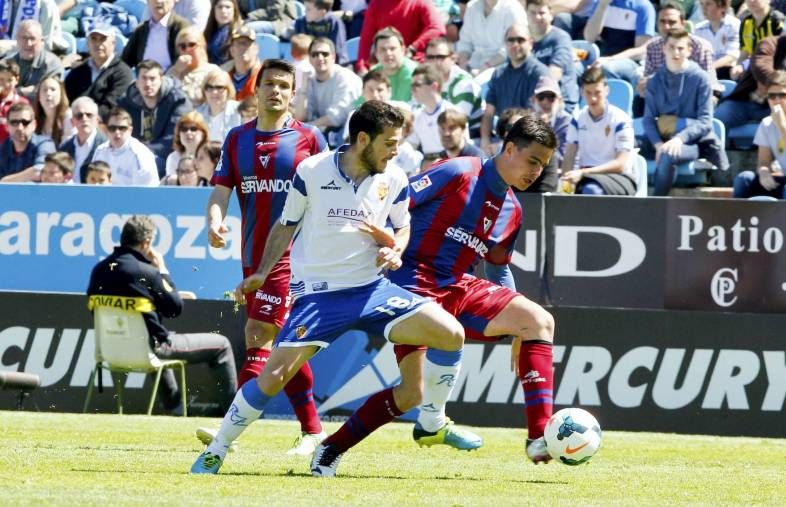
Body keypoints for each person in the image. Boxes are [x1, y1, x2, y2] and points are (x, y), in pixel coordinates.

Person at [191, 100, 466, 477]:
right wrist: (262, 272)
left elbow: (402, 227)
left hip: (372, 290)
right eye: (389, 142)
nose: (396, 150)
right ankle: (217, 450)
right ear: (363, 139)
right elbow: (286, 225)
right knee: (272, 377)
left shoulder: (395, 178)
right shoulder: (313, 170)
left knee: (451, 334)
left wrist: (396, 248)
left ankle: (430, 421)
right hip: (319, 297)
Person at [387, 115, 557, 464]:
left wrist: (517, 328)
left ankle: (540, 438)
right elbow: (394, 205)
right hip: (406, 285)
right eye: (533, 160)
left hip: (453, 291)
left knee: (537, 322)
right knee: (411, 392)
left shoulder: (513, 210)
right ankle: (321, 439)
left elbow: (498, 266)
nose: (537, 171)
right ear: (510, 148)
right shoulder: (456, 171)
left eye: (544, 165)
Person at [202, 59, 328, 456]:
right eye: (268, 84)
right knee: (283, 342)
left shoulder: (310, 139)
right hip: (251, 258)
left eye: (283, 86)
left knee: (258, 334)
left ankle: (228, 431)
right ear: (254, 91)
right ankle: (312, 430)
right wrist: (215, 221)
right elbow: (221, 191)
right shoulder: (236, 139)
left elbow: (334, 190)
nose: (275, 91)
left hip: (294, 256)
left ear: (293, 94)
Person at [87, 215, 237, 416]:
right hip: (150, 348)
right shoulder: (147, 272)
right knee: (221, 345)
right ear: (147, 242)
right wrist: (162, 270)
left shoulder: (99, 270)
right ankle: (235, 415)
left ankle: (176, 410)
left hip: (109, 351)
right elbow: (175, 308)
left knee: (152, 338)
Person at [641, 29, 727, 196]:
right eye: (671, 47)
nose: (676, 52)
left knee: (667, 155)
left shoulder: (701, 78)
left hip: (693, 142)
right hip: (662, 138)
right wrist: (658, 144)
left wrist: (679, 139)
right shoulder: (654, 81)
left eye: (681, 48)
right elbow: (648, 119)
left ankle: (656, 204)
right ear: (664, 48)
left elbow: (705, 121)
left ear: (689, 51)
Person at [561, 67, 637, 195]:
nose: (593, 98)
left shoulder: (621, 119)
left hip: (620, 178)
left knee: (591, 191)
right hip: (586, 177)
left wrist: (584, 173)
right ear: (582, 92)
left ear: (607, 90)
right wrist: (565, 188)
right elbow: (569, 157)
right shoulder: (577, 119)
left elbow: (620, 164)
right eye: (588, 93)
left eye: (597, 92)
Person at [715, 17, 786, 126]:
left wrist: (773, 85)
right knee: (720, 118)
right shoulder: (770, 44)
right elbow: (761, 67)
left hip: (780, 105)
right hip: (745, 101)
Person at [480, 24, 550, 155]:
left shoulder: (540, 73)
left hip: (529, 141)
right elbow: (488, 113)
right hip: (503, 137)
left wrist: (503, 145)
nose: (515, 44)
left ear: (530, 43)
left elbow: (538, 117)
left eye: (520, 40)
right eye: (510, 40)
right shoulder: (498, 74)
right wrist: (485, 140)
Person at [733, 70, 786, 199]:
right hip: (785, 177)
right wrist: (764, 172)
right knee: (743, 179)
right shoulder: (767, 123)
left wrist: (782, 125)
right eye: (772, 96)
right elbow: (764, 161)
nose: (777, 100)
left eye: (782, 95)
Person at [119, 60, 193, 175]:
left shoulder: (178, 100)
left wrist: (141, 152)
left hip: (168, 157)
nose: (148, 84)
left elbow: (173, 139)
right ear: (137, 82)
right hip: (133, 155)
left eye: (152, 79)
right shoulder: (126, 102)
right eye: (144, 78)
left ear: (161, 80)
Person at [637, 2, 715, 98]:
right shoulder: (653, 46)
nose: (666, 27)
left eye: (671, 22)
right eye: (662, 21)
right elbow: (649, 76)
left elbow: (706, 84)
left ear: (683, 24)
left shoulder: (700, 46)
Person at [354, 0, 446, 75]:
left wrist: (413, 48)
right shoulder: (376, 4)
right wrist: (362, 66)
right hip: (385, 68)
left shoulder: (421, 2)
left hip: (415, 66)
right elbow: (366, 39)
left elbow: (438, 28)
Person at [294, 36, 360, 139]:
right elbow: (300, 117)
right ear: (310, 59)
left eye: (325, 54)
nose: (320, 58)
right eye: (315, 54)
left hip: (349, 134)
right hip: (325, 131)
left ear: (333, 57)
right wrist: (303, 87)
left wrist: (306, 127)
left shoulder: (346, 78)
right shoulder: (309, 79)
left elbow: (336, 118)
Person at [64, 25, 134, 122]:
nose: (98, 44)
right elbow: (66, 98)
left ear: (113, 43)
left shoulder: (123, 72)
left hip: (106, 127)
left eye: (103, 39)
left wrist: (87, 120)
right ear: (88, 44)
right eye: (94, 39)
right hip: (76, 122)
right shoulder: (78, 70)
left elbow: (112, 105)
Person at [583, 0, 656, 88]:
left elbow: (641, 50)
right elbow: (589, 38)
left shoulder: (643, 6)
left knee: (606, 68)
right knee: (575, 67)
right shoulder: (599, 3)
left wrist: (610, 59)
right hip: (600, 58)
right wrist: (602, 5)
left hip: (630, 63)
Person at [527, 0, 578, 111]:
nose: (537, 17)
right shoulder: (524, 39)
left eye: (541, 13)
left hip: (559, 104)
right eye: (532, 13)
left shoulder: (561, 38)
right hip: (533, 102)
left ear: (551, 15)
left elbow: (554, 74)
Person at [424, 37, 483, 135]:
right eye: (430, 57)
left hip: (469, 138)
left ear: (453, 58)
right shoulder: (425, 80)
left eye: (440, 57)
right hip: (437, 134)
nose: (435, 62)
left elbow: (456, 122)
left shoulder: (464, 83)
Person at [91, 107, 160, 186]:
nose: (117, 132)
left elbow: (143, 192)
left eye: (122, 128)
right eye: (112, 128)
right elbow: (93, 183)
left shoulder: (140, 154)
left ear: (130, 130)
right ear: (106, 130)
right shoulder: (100, 151)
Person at [455, 0, 528, 72]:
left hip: (500, 70)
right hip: (472, 67)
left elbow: (511, 49)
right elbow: (465, 42)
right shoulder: (472, 7)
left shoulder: (513, 9)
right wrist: (464, 69)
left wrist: (484, 68)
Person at [121, 0, 191, 71]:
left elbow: (189, 60)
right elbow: (124, 63)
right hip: (144, 80)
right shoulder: (140, 30)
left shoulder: (182, 28)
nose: (158, 1)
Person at [406, 63, 456, 158]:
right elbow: (411, 146)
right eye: (412, 85)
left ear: (434, 86)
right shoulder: (417, 115)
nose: (413, 90)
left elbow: (461, 148)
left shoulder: (452, 112)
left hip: (450, 163)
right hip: (428, 165)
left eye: (417, 85)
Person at [0, 102, 55, 182]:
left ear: (34, 125)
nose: (20, 128)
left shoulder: (44, 144)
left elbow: (39, 172)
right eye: (14, 122)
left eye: (25, 122)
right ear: (7, 126)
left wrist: (4, 181)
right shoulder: (4, 148)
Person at [7, 20, 63, 98]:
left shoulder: (52, 64)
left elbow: (47, 93)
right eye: (24, 38)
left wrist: (14, 92)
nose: (28, 43)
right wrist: (22, 91)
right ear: (17, 39)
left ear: (41, 41)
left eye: (33, 39)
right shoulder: (7, 63)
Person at [730, 0, 783, 81]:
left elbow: (780, 56)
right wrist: (737, 68)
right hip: (753, 72)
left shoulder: (777, 21)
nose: (751, 1)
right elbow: (743, 54)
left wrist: (745, 65)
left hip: (776, 74)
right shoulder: (745, 22)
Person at [167, 27, 222, 105]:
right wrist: (176, 71)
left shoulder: (213, 71)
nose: (187, 49)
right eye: (183, 46)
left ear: (202, 46)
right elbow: (163, 95)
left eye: (191, 45)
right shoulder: (173, 71)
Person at [60, 97, 107, 183]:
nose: (84, 119)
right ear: (72, 121)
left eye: (89, 115)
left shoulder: (106, 147)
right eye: (79, 116)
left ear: (97, 120)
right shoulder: (65, 148)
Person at [693, 0, 740, 80]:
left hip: (728, 72)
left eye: (708, 4)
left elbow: (732, 56)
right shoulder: (698, 29)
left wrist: (709, 68)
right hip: (706, 73)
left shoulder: (734, 25)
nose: (703, 8)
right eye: (701, 4)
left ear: (722, 6)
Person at [291, 0, 348, 65]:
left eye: (308, 9)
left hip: (330, 66)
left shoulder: (334, 23)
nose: (305, 11)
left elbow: (339, 52)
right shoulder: (301, 23)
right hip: (307, 66)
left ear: (321, 12)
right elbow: (298, 50)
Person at [371, 27, 417, 102]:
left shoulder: (415, 73)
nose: (388, 53)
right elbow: (360, 104)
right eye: (383, 49)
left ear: (403, 50)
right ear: (376, 53)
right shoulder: (374, 73)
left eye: (392, 48)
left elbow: (401, 108)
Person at [197, 69, 240, 142]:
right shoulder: (196, 115)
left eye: (219, 87)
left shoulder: (241, 111)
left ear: (228, 90)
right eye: (209, 87)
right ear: (204, 90)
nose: (214, 92)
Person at [164, 111, 209, 179]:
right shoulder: (173, 158)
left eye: (193, 129)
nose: (188, 132)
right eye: (184, 129)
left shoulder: (210, 157)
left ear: (203, 134)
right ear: (179, 134)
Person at [33, 74, 73, 148]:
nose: (48, 93)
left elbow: (68, 148)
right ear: (38, 97)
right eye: (45, 90)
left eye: (53, 89)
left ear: (61, 94)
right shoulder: (34, 118)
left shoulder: (68, 117)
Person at [204, 0, 242, 65]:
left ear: (234, 10)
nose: (223, 11)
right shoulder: (208, 33)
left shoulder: (240, 34)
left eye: (228, 7)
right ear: (214, 10)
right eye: (220, 7)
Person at [228, 25, 260, 101]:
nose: (242, 47)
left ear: (256, 49)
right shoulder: (223, 75)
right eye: (239, 43)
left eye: (247, 43)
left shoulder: (264, 75)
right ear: (231, 50)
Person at [0, 59, 28, 144]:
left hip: (9, 151)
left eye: (10, 80)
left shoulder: (22, 103)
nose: (6, 84)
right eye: (1, 79)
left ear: (17, 80)